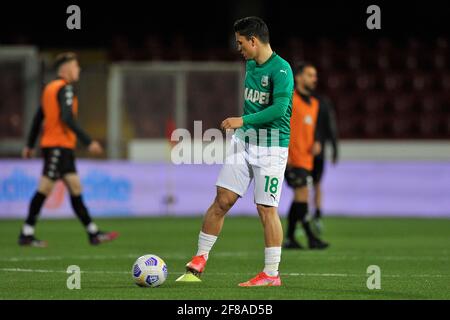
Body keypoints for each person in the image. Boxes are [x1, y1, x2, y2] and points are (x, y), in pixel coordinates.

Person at [177, 17, 294, 287]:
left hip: (272, 146)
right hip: (244, 142)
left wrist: (242, 121)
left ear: (254, 40)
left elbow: (279, 110)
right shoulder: (251, 64)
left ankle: (271, 274)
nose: (238, 48)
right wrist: (244, 128)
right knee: (222, 199)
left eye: (241, 43)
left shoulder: (282, 70)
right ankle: (199, 259)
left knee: (266, 208)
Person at [18, 52, 119, 247]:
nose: (78, 69)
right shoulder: (66, 89)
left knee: (75, 187)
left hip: (58, 147)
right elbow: (67, 118)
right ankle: (26, 233)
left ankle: (93, 232)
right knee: (45, 188)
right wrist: (88, 141)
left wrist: (30, 145)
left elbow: (38, 117)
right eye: (75, 66)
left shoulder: (49, 89)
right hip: (58, 146)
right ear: (65, 69)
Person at [283, 62, 329, 250]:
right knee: (302, 195)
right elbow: (280, 126)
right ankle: (310, 237)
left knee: (299, 198)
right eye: (310, 75)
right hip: (292, 159)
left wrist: (317, 141)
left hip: (307, 159)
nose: (314, 79)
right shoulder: (289, 100)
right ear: (299, 77)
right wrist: (283, 153)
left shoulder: (315, 104)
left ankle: (290, 238)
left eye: (315, 75)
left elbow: (313, 128)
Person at [311, 94, 339, 233]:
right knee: (315, 185)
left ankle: (310, 218)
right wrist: (334, 150)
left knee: (305, 186)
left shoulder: (318, 104)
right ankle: (315, 217)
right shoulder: (324, 104)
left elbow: (330, 127)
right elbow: (331, 128)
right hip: (311, 152)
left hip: (309, 152)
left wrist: (334, 150)